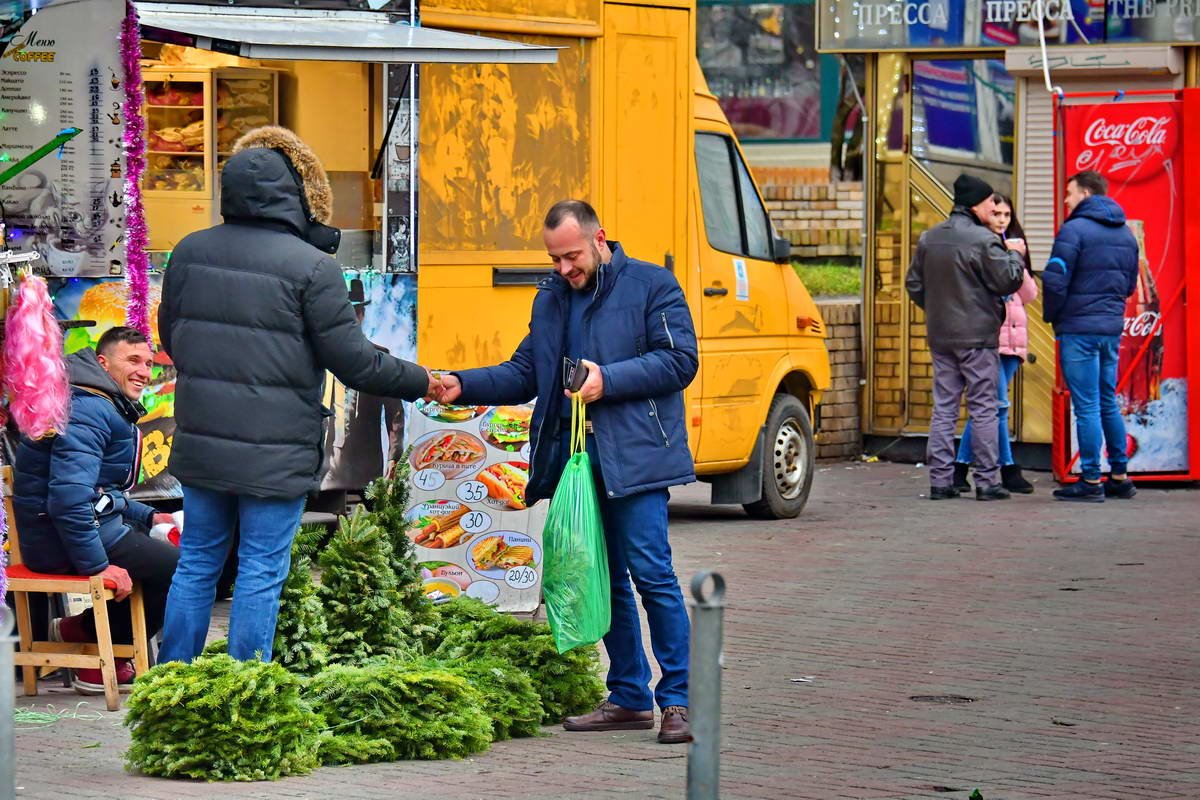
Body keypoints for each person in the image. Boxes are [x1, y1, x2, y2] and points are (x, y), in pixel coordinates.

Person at [156, 126, 435, 664]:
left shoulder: (189, 252)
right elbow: (353, 361)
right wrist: (423, 379)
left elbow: (173, 337)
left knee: (196, 564)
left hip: (203, 440)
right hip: (277, 447)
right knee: (261, 569)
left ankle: (172, 688)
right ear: (298, 194)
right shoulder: (311, 266)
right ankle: (247, 690)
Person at [434, 200, 697, 744]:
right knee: (602, 576)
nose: (563, 269)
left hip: (638, 456)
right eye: (554, 259)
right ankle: (628, 695)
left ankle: (677, 700)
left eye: (571, 256)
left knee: (653, 576)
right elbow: (527, 370)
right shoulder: (552, 298)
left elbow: (680, 361)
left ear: (600, 238)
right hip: (578, 460)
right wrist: (465, 383)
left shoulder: (653, 285)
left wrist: (609, 380)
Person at [12, 326, 179, 694]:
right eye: (132, 360)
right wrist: (98, 567)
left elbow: (101, 492)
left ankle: (87, 634)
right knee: (184, 572)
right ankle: (91, 644)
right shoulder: (89, 408)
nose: (143, 371)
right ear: (102, 363)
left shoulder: (97, 402)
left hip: (80, 531)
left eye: (149, 363)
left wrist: (148, 516)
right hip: (59, 543)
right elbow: (69, 501)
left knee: (174, 562)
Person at [905, 174, 1025, 500]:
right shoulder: (984, 241)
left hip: (942, 336)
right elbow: (1008, 280)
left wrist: (938, 312)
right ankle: (987, 481)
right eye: (989, 203)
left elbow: (914, 285)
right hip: (978, 336)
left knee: (944, 407)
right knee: (984, 407)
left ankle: (940, 482)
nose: (994, 207)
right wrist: (1014, 253)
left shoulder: (930, 238)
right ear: (976, 204)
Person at [1042, 170, 1139, 502]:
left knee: (1086, 406)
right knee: (1107, 400)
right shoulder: (1126, 234)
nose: (1066, 199)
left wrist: (1054, 316)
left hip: (1079, 329)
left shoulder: (1073, 230)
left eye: (1069, 193)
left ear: (1084, 193)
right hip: (1110, 328)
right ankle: (1120, 477)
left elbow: (1054, 279)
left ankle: (1091, 480)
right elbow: (1129, 285)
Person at [952, 194, 1038, 495]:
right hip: (991, 338)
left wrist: (1018, 259)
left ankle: (959, 468)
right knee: (997, 407)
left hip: (1015, 339)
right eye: (996, 213)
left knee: (990, 409)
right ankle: (1008, 468)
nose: (1001, 220)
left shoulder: (1012, 245)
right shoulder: (981, 245)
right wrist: (1004, 256)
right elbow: (988, 291)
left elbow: (1028, 294)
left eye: (1006, 215)